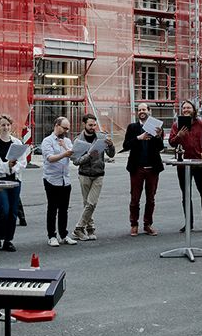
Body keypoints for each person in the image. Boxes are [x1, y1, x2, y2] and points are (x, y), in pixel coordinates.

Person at [168, 101, 202, 233]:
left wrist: (201, 148)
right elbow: (171, 143)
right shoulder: (177, 125)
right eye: (184, 108)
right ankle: (189, 223)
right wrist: (179, 136)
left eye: (188, 107)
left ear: (194, 109)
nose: (186, 110)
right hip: (183, 165)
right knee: (186, 195)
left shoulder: (201, 124)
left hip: (199, 163)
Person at [70, 113, 115, 241]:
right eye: (90, 125)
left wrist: (111, 145)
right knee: (87, 204)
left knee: (91, 203)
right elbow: (75, 161)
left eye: (94, 125)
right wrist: (89, 156)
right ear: (84, 124)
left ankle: (78, 228)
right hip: (84, 174)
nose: (93, 127)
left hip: (98, 174)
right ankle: (90, 228)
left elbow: (111, 155)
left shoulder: (101, 137)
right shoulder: (78, 140)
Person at [123, 103, 164, 236]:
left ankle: (148, 224)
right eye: (139, 109)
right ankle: (134, 224)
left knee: (151, 198)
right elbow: (126, 145)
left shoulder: (156, 128)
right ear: (137, 112)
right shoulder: (132, 127)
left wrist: (158, 136)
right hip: (137, 168)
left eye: (144, 109)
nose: (142, 111)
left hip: (153, 168)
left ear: (149, 111)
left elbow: (160, 147)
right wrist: (138, 138)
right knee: (135, 198)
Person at [0, 115, 26, 251]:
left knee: (13, 211)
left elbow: (23, 162)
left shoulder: (17, 142)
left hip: (15, 179)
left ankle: (8, 240)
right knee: (3, 209)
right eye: (2, 125)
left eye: (8, 125)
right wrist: (7, 165)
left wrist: (13, 167)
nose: (5, 127)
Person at [41, 117, 77, 246]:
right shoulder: (47, 141)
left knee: (64, 209)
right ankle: (52, 236)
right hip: (52, 179)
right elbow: (50, 158)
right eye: (64, 128)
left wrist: (66, 148)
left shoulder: (67, 140)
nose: (66, 131)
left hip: (65, 179)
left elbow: (73, 155)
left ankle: (64, 234)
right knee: (52, 208)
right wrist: (64, 154)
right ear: (57, 125)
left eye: (68, 129)